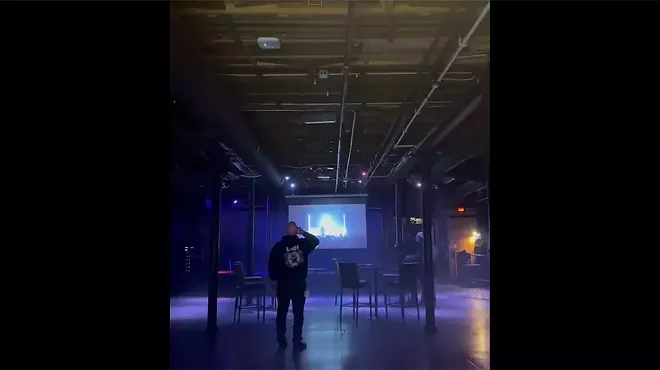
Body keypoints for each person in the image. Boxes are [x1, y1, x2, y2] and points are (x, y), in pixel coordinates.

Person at [268, 221, 320, 352]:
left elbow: (271, 265)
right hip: (299, 285)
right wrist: (303, 233)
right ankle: (297, 341)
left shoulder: (278, 247)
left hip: (283, 285)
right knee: (298, 314)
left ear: (285, 231)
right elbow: (316, 240)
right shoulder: (303, 244)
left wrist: (275, 278)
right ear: (296, 230)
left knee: (281, 314)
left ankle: (281, 341)